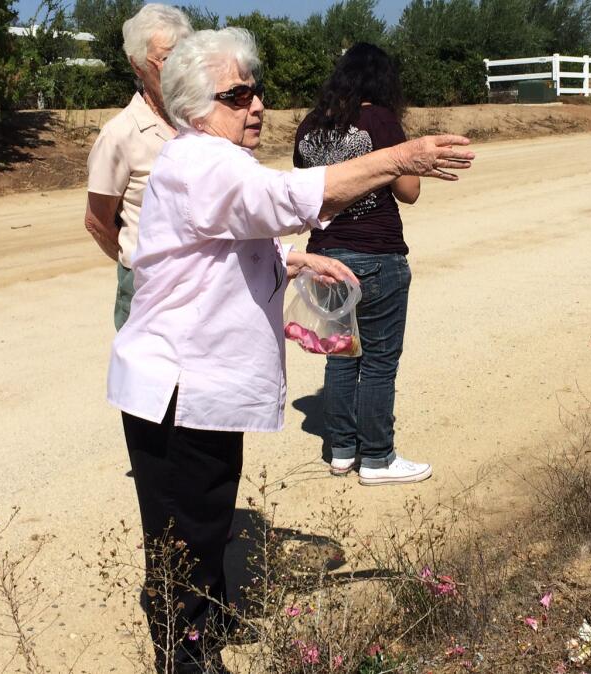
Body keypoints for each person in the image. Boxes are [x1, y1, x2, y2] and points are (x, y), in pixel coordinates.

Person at [107, 27, 474, 673]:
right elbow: (283, 199)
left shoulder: (214, 163)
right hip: (177, 391)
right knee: (182, 542)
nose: (256, 106)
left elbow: (232, 234)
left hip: (200, 391)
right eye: (237, 95)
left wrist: (295, 258)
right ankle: (187, 658)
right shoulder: (202, 161)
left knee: (205, 525)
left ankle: (202, 636)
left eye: (258, 91)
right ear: (196, 105)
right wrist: (397, 156)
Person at [293, 43, 429, 486]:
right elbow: (409, 191)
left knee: (341, 355)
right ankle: (377, 458)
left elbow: (306, 190)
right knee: (378, 360)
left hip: (325, 256)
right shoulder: (381, 121)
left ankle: (341, 450)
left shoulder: (310, 127)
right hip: (376, 254)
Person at [84, 4, 192, 330]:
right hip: (146, 288)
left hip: (201, 283)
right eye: (167, 60)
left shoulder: (203, 121)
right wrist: (139, 260)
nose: (178, 71)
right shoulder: (120, 134)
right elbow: (97, 220)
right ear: (138, 65)